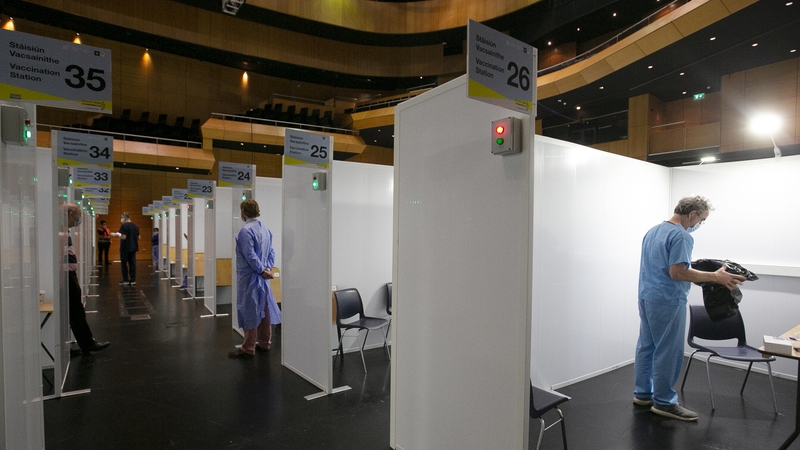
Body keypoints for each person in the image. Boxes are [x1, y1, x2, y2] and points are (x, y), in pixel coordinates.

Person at [633, 195, 745, 421]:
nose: (699, 225)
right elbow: (677, 273)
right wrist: (715, 277)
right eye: (701, 220)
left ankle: (643, 394)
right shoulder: (682, 236)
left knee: (647, 346)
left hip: (647, 297)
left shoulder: (653, 231)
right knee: (668, 351)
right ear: (692, 214)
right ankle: (664, 402)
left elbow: (666, 265)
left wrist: (696, 267)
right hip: (667, 300)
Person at [229, 199, 282, 358]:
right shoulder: (265, 229)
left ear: (244, 211)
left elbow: (249, 255)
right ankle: (265, 343)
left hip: (249, 278)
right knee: (264, 310)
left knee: (249, 310)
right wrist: (267, 269)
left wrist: (260, 270)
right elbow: (272, 252)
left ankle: (248, 347)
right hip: (262, 278)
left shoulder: (245, 231)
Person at [64, 203, 110, 355]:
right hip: (66, 276)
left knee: (76, 311)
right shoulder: (59, 230)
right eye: (78, 216)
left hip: (69, 275)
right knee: (76, 311)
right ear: (71, 214)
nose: (79, 220)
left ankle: (85, 343)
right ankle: (87, 343)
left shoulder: (64, 230)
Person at [113, 212, 140, 286]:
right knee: (132, 264)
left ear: (125, 217)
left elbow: (124, 237)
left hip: (125, 248)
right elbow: (138, 237)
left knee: (124, 264)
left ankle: (125, 280)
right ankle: (133, 280)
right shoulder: (136, 226)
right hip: (133, 247)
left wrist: (116, 235)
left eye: (122, 217)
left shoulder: (124, 226)